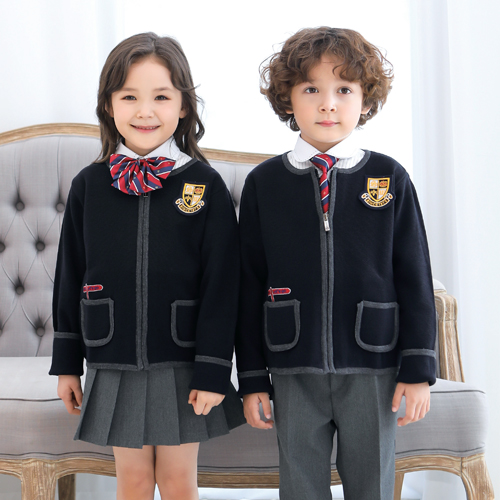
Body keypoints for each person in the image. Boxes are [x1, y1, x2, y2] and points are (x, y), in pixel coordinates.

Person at [236, 27, 436, 500]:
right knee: (300, 487)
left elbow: (415, 277)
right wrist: (252, 379)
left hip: (374, 364)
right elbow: (248, 284)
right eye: (311, 89)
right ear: (288, 99)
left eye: (344, 89)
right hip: (292, 363)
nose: (328, 104)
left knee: (372, 486)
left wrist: (417, 368)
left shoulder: (388, 177)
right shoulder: (266, 183)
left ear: (365, 100)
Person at [49, 32, 244, 500]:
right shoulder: (89, 185)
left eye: (161, 97)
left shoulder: (204, 184)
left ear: (184, 106)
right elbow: (70, 276)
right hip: (111, 358)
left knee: (178, 482)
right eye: (129, 96)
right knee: (133, 482)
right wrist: (66, 364)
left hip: (184, 360)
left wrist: (214, 370)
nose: (144, 111)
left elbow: (223, 285)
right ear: (108, 105)